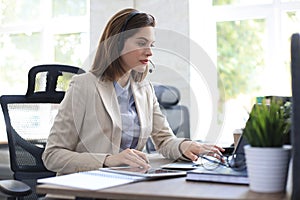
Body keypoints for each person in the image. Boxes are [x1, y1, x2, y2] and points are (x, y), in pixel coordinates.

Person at [42, 8, 224, 175]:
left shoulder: (145, 89)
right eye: (141, 43)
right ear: (116, 43)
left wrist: (187, 145)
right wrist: (107, 161)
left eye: (151, 44)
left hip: (128, 181)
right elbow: (52, 155)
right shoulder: (84, 85)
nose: (150, 52)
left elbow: (165, 141)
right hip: (86, 187)